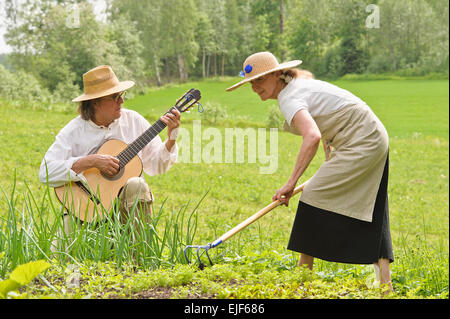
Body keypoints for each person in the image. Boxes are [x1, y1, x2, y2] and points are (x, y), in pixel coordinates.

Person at [226, 52, 394, 293]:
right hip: (370, 136)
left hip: (362, 140)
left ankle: (303, 282)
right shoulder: (295, 87)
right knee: (375, 205)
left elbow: (312, 136)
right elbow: (330, 123)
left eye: (259, 80)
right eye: (251, 82)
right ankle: (385, 288)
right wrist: (330, 156)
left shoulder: (289, 98)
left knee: (312, 196)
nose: (255, 87)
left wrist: (290, 183)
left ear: (275, 75)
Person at [39, 65, 180, 246]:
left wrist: (172, 137)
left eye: (122, 95)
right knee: (57, 263)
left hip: (125, 212)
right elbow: (45, 172)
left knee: (137, 184)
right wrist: (90, 161)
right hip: (83, 211)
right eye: (115, 97)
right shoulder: (73, 131)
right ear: (95, 102)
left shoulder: (134, 121)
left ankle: (138, 258)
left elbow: (157, 165)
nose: (121, 101)